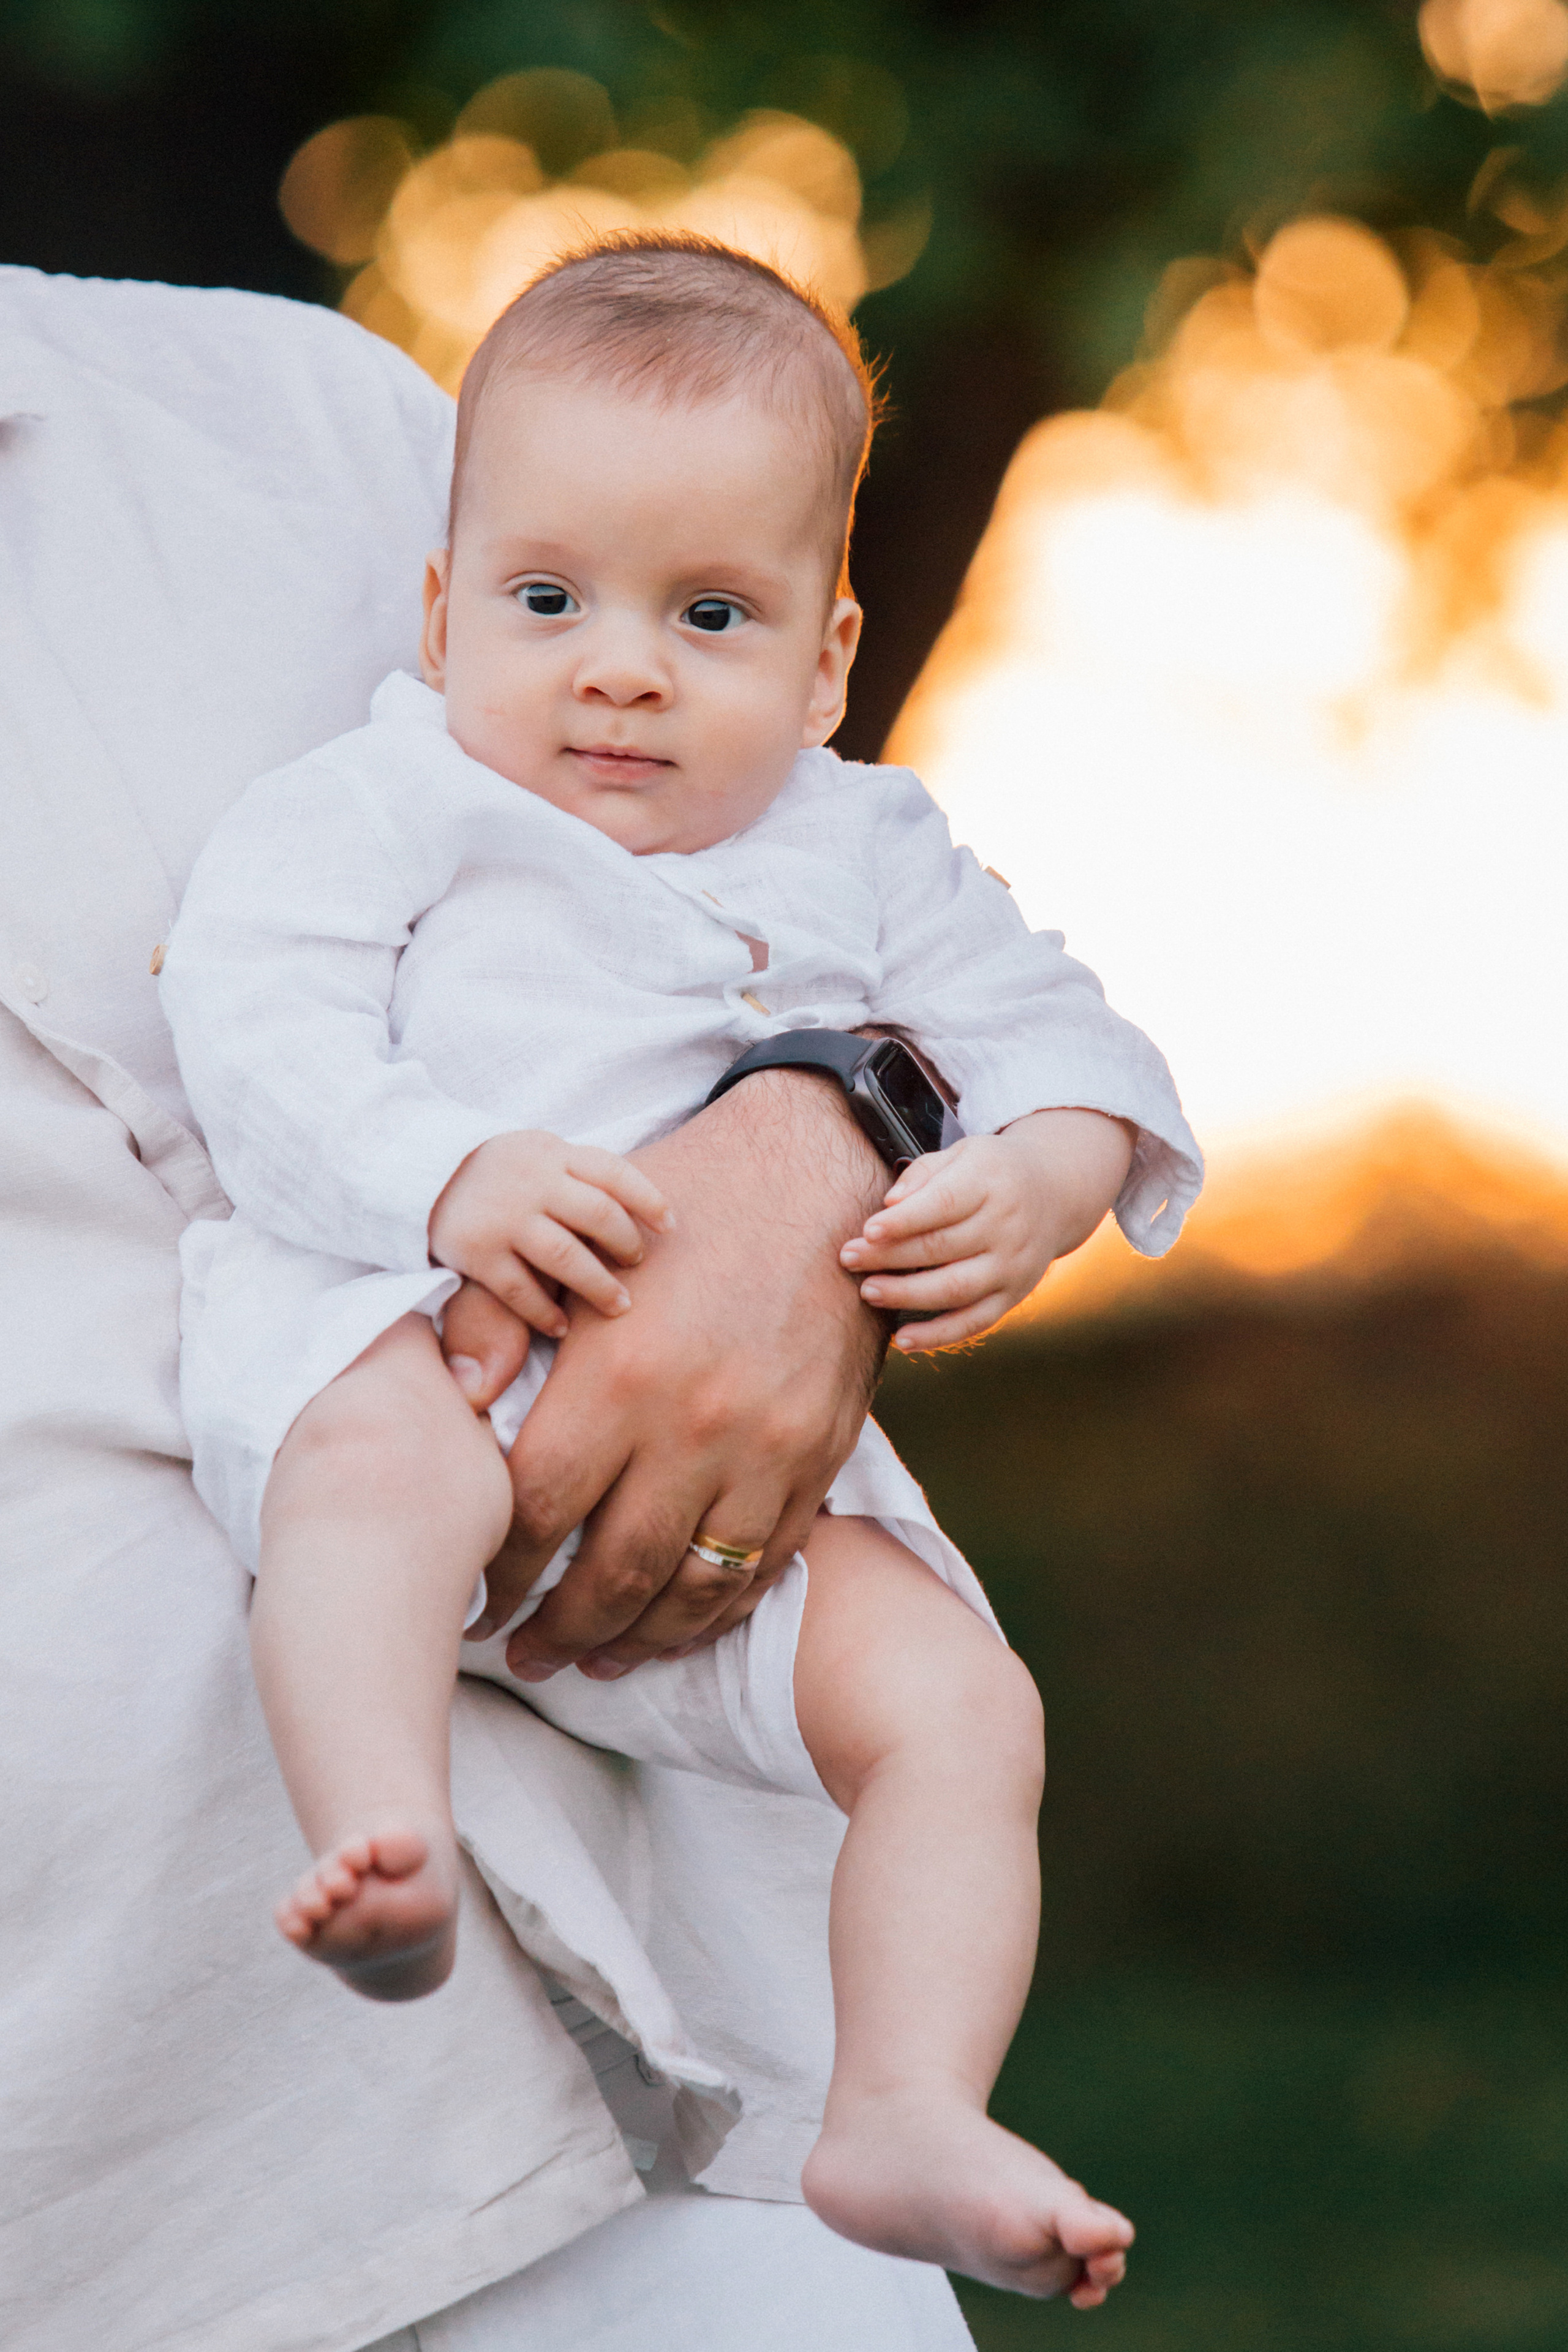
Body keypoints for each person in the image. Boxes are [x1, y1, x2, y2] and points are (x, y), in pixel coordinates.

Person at [159, 235, 1202, 2309]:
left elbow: (1072, 1035)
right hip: (411, 1341)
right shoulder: (388, 799)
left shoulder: (864, 845)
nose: (619, 667)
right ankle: (386, 1844)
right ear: (449, 614)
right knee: (369, 1486)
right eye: (550, 603)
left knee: (962, 1712)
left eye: (708, 616)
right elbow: (254, 1019)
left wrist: (1050, 1167)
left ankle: (903, 2105)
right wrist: (440, 1172)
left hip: (741, 1503)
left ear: (824, 664)